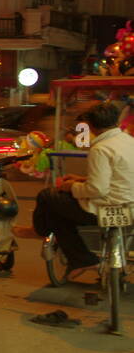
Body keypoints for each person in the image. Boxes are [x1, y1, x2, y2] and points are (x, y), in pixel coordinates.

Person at [33, 101, 134, 281]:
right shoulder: (128, 141)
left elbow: (97, 189)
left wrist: (71, 186)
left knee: (47, 197)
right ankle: (79, 258)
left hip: (105, 208)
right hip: (131, 206)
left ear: (91, 125)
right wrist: (82, 179)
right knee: (58, 210)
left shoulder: (101, 148)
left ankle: (41, 232)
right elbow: (120, 176)